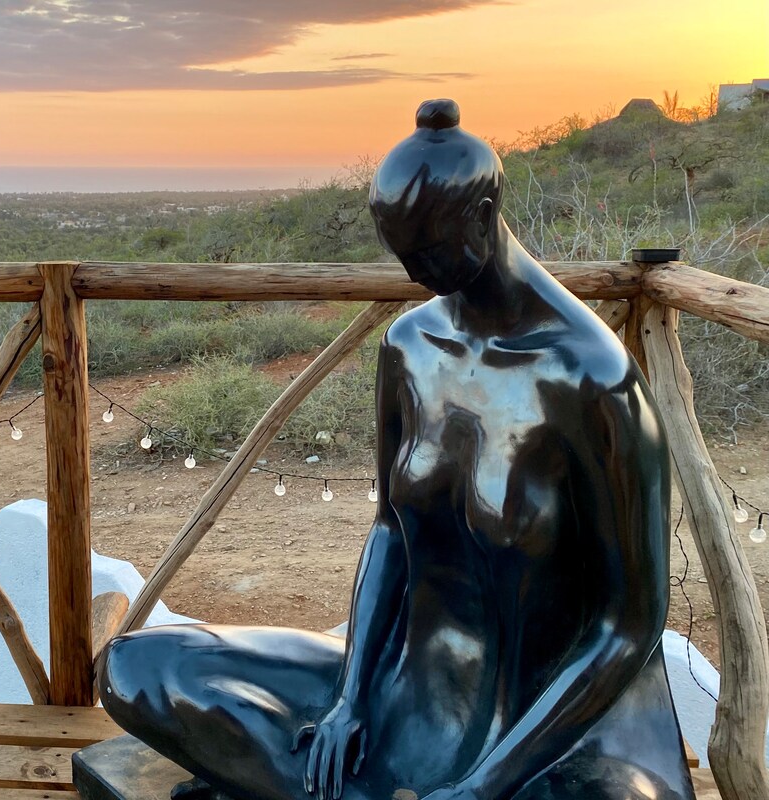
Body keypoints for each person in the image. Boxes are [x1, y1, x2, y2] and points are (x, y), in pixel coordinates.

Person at [98, 99, 695, 800]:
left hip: (544, 736)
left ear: (482, 215)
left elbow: (628, 627)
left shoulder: (593, 379)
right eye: (404, 255)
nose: (418, 275)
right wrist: (349, 699)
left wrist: (482, 788)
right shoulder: (410, 347)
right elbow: (390, 529)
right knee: (135, 669)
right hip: (403, 693)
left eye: (432, 252)